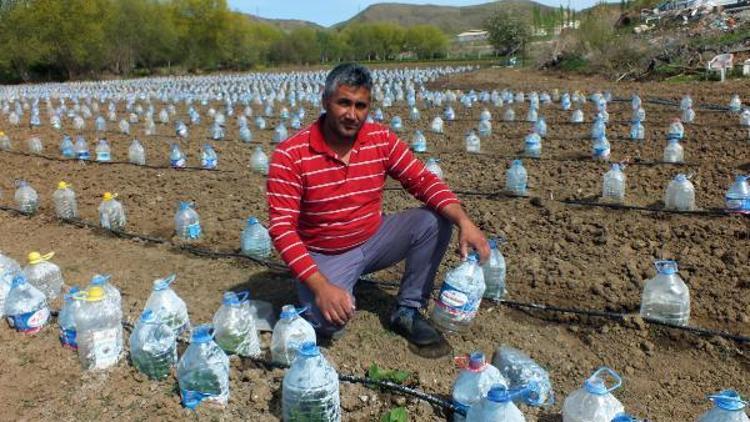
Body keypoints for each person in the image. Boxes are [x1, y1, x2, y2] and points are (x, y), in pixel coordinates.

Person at [266, 63, 489, 348]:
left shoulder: (380, 139)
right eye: (343, 103)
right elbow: (282, 229)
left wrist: (464, 221)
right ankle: (331, 286)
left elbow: (421, 179)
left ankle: (408, 309)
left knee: (434, 221)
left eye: (361, 106)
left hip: (374, 237)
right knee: (328, 323)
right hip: (325, 251)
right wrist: (321, 287)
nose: (352, 114)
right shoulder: (291, 155)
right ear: (325, 101)